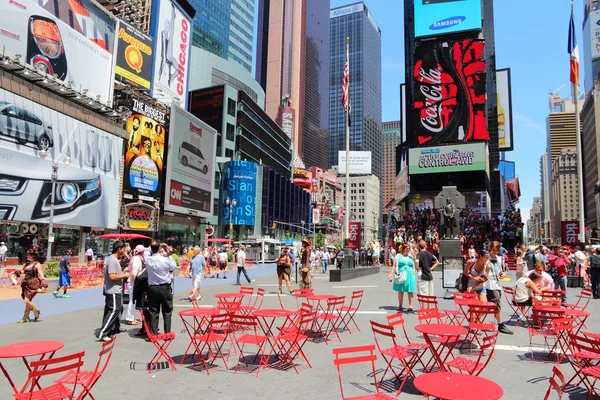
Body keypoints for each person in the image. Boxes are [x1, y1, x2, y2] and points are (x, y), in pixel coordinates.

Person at [97, 241, 129, 341]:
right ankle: (104, 333)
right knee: (114, 310)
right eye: (123, 249)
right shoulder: (112, 260)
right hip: (113, 290)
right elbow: (112, 276)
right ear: (119, 249)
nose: (124, 251)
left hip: (114, 289)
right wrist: (124, 275)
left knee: (112, 310)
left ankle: (112, 329)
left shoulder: (114, 260)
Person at [145, 242, 176, 336]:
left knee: (153, 311)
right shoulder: (165, 260)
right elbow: (173, 266)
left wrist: (157, 246)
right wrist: (168, 254)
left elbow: (146, 251)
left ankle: (153, 333)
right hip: (164, 287)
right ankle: (167, 333)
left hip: (152, 287)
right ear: (159, 249)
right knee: (167, 311)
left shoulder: (148, 259)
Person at [484, 241, 513, 335]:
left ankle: (473, 320)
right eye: (493, 250)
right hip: (489, 285)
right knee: (496, 306)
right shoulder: (485, 259)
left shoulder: (499, 259)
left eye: (497, 250)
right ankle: (500, 325)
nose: (495, 252)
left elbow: (501, 271)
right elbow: (481, 272)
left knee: (486, 307)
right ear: (489, 249)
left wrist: (503, 274)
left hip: (497, 284)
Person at [14, 246, 46, 323]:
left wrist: (43, 285)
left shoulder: (37, 264)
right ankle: (26, 317)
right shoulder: (27, 264)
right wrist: (16, 272)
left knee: (27, 300)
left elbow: (41, 275)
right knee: (28, 300)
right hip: (26, 284)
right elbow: (22, 271)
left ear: (32, 256)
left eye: (28, 255)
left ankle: (36, 312)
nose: (26, 256)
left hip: (33, 284)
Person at [390, 244, 415, 312]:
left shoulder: (411, 256)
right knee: (400, 290)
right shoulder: (398, 256)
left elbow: (416, 263)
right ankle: (400, 305)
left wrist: (414, 256)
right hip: (401, 275)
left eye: (408, 248)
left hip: (410, 275)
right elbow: (394, 265)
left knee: (410, 290)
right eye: (406, 248)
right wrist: (391, 273)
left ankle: (410, 305)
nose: (407, 250)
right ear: (403, 249)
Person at [125, 245, 145, 325]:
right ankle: (130, 318)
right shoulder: (137, 260)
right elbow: (134, 273)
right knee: (132, 300)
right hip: (133, 283)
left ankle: (132, 317)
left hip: (134, 282)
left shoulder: (137, 258)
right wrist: (137, 284)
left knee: (133, 300)